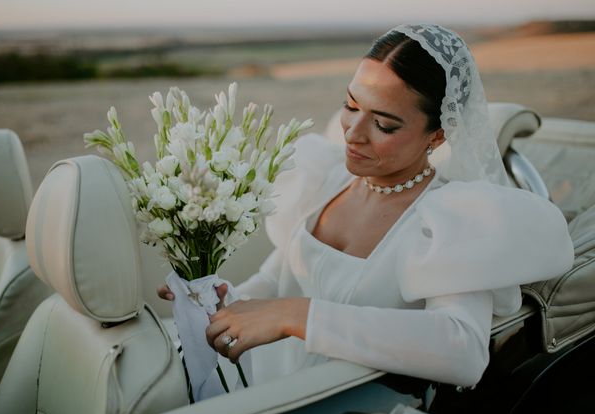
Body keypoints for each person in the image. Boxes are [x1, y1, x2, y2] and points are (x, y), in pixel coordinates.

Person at [158, 24, 573, 388]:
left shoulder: (448, 220)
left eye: (384, 124)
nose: (353, 134)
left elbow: (462, 350)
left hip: (335, 410)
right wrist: (221, 302)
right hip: (266, 380)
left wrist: (297, 316)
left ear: (438, 135)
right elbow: (280, 281)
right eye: (351, 106)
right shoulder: (324, 179)